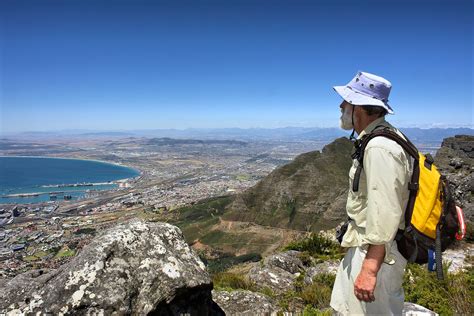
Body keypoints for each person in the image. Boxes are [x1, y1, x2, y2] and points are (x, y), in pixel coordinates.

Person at [330, 71, 413, 315]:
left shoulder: (379, 147)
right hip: (371, 247)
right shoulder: (384, 136)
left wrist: (369, 269)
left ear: (359, 108)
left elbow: (385, 210)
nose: (341, 105)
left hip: (378, 253)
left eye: (347, 101)